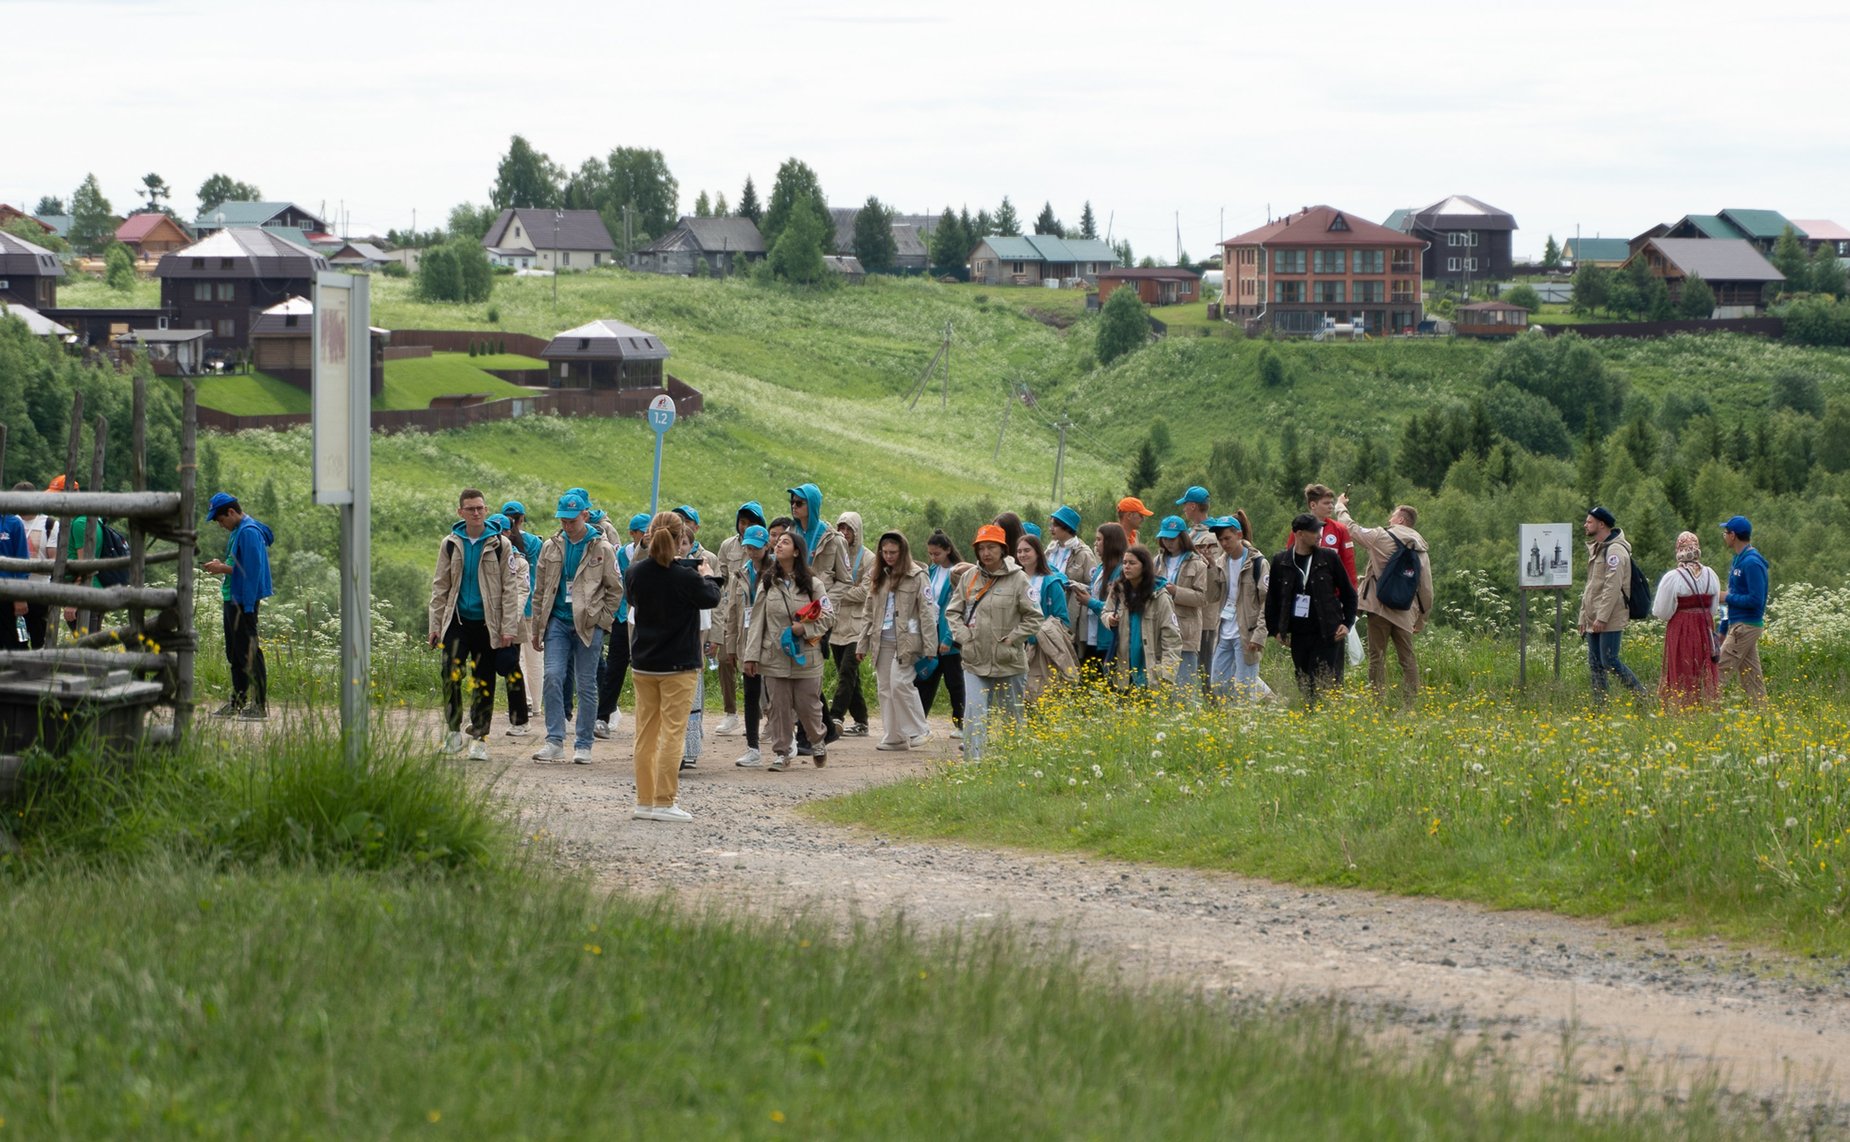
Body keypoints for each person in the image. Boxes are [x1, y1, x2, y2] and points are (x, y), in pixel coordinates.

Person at [623, 512, 723, 822]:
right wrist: (707, 574)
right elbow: (712, 598)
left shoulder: (635, 572)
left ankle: (644, 800)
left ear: (649, 535)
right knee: (672, 733)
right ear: (681, 539)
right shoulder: (686, 577)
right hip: (678, 665)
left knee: (646, 734)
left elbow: (632, 599)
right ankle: (664, 801)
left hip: (644, 663)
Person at [529, 491, 624, 764]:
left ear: (585, 515)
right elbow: (540, 589)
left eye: (572, 519)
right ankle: (554, 740)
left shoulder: (602, 548)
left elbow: (615, 589)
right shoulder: (550, 546)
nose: (567, 525)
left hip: (588, 624)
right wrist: (538, 626)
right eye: (563, 520)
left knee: (585, 684)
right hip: (557, 621)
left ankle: (584, 744)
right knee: (553, 677)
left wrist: (602, 622)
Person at [428, 488, 523, 759]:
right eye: (471, 508)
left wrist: (508, 628)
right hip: (457, 620)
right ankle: (454, 732)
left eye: (480, 507)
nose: (477, 512)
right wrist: (435, 625)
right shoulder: (450, 543)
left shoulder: (499, 544)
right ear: (461, 512)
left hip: (487, 623)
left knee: (484, 681)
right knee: (450, 675)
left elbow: (510, 588)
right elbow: (440, 586)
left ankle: (479, 737)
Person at [947, 524, 1041, 761]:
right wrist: (964, 638)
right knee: (975, 714)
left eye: (991, 547)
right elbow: (952, 612)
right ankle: (973, 765)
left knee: (1013, 718)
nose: (986, 553)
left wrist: (1013, 638)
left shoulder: (1018, 578)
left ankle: (1015, 763)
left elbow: (1035, 617)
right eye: (981, 548)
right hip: (974, 659)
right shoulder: (969, 578)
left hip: (1009, 661)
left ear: (1002, 549)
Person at [742, 529, 834, 772]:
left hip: (806, 658)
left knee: (809, 706)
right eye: (778, 541)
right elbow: (757, 623)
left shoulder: (813, 584)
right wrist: (751, 657)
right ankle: (782, 753)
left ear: (796, 551)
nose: (778, 545)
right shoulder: (767, 582)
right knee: (778, 708)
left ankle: (817, 740)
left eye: (785, 542)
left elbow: (828, 617)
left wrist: (804, 629)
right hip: (774, 657)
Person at [1335, 495, 1433, 705]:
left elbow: (1351, 528)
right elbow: (1426, 588)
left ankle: (1377, 703)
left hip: (1379, 608)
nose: (1390, 519)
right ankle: (1410, 704)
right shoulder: (1421, 548)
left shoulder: (1382, 537)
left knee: (1377, 657)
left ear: (1401, 520)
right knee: (1407, 659)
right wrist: (1422, 619)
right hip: (1406, 612)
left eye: (1393, 516)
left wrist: (1340, 507)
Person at [1265, 513, 1358, 706]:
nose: (1319, 534)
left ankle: (1328, 718)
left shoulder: (1329, 558)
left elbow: (1349, 594)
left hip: (1328, 632)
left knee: (1325, 682)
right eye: (1314, 530)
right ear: (1299, 534)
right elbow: (1272, 599)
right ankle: (1311, 715)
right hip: (1298, 635)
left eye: (1320, 529)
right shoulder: (1281, 561)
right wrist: (1275, 630)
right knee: (1304, 680)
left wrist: (1347, 623)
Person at [857, 529, 937, 751]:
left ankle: (920, 730)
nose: (889, 556)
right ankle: (895, 736)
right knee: (885, 687)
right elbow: (868, 611)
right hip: (881, 640)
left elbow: (928, 613)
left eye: (893, 552)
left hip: (908, 641)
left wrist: (930, 646)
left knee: (900, 683)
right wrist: (862, 643)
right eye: (885, 552)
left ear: (903, 552)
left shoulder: (918, 576)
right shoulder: (878, 575)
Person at [201, 492, 275, 719]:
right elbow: (239, 565)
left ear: (231, 512)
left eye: (221, 520)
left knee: (250, 652)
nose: (220, 525)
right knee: (235, 652)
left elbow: (252, 572)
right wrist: (223, 566)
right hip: (233, 597)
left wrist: (249, 606)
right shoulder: (238, 531)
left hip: (244, 601)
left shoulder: (249, 532)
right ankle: (238, 701)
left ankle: (259, 706)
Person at [787, 484, 847, 756]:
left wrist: (822, 603)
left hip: (817, 618)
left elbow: (846, 581)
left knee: (809, 676)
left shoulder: (833, 539)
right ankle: (825, 730)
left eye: (800, 502)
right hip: (792, 612)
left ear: (812, 504)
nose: (794, 506)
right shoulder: (791, 534)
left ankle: (808, 736)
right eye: (792, 502)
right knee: (796, 672)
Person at [1577, 506, 1646, 703]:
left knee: (1610, 660)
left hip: (1609, 617)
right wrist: (1584, 616)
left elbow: (1612, 588)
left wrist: (1602, 617)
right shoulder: (1598, 549)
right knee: (1596, 664)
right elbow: (1590, 587)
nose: (1585, 525)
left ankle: (1641, 695)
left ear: (1601, 524)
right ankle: (1600, 706)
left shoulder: (1615, 551)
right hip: (1594, 617)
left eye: (1589, 521)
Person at [712, 501, 766, 736]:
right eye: (742, 522)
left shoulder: (765, 547)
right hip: (732, 612)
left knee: (757, 666)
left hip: (756, 613)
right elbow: (721, 577)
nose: (745, 527)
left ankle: (758, 715)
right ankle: (730, 712)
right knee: (725, 659)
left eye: (751, 523)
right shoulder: (727, 546)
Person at [595, 513, 650, 739]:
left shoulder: (660, 554)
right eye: (643, 532)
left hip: (648, 618)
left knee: (647, 669)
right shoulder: (621, 553)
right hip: (623, 616)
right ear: (633, 533)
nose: (647, 536)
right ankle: (603, 716)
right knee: (614, 668)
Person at [1652, 531, 1720, 710]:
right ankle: (1704, 706)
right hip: (1705, 626)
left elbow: (1661, 611)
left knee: (1683, 666)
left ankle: (1683, 707)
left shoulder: (1673, 577)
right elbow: (1713, 609)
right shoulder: (1710, 574)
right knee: (1703, 666)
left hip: (1681, 627)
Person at [1208, 512, 1271, 702]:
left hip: (1247, 633)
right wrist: (1211, 569)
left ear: (1239, 535)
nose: (1224, 543)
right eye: (1220, 540)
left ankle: (1245, 722)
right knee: (1218, 684)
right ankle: (1264, 703)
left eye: (1227, 538)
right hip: (1224, 631)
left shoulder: (1258, 563)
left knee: (1245, 688)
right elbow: (1211, 596)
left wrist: (1259, 635)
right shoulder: (1220, 563)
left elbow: (1266, 602)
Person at [722, 525, 770, 766]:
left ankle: (787, 740)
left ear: (767, 547)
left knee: (776, 695)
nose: (751, 552)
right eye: (748, 547)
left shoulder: (777, 574)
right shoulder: (739, 574)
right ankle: (753, 747)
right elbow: (731, 612)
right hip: (746, 639)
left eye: (756, 548)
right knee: (750, 694)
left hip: (770, 642)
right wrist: (731, 647)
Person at [1103, 544, 1182, 689]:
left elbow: (1172, 638)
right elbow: (1105, 611)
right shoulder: (1118, 590)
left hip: (1150, 669)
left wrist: (1167, 675)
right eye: (1125, 563)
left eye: (1132, 563)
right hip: (1124, 669)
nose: (1126, 567)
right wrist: (1109, 619)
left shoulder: (1160, 596)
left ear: (1144, 566)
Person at [915, 530, 967, 739]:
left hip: (949, 634)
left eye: (936, 553)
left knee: (954, 681)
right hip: (932, 632)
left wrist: (949, 638)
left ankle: (962, 723)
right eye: (930, 554)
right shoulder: (933, 571)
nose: (933, 557)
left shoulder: (958, 572)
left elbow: (958, 607)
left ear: (947, 550)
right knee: (925, 678)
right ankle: (919, 720)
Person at [826, 511, 873, 737]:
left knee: (847, 672)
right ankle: (862, 721)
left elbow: (865, 592)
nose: (844, 533)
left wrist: (836, 592)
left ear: (857, 531)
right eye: (841, 528)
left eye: (849, 529)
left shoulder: (869, 558)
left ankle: (835, 716)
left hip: (858, 626)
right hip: (836, 624)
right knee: (850, 675)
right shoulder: (834, 553)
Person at [1014, 532, 1076, 702]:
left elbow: (1062, 619)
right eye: (1019, 551)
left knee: (1040, 693)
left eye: (1027, 550)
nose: (1022, 555)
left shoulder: (1051, 582)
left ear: (1038, 553)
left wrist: (1037, 633)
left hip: (1041, 646)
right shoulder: (1013, 579)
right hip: (1016, 643)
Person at [1153, 516, 1210, 693]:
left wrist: (1176, 591)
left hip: (1186, 632)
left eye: (1172, 538)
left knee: (1184, 687)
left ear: (1182, 537)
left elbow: (1202, 598)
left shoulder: (1198, 563)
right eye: (1165, 538)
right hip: (1161, 629)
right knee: (1162, 685)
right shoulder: (1156, 561)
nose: (1168, 543)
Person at [501, 501, 544, 737]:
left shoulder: (502, 542)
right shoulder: (534, 542)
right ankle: (535, 705)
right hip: (531, 602)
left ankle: (524, 700)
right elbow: (537, 572)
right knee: (535, 657)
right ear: (522, 518)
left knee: (516, 659)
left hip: (512, 607)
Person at [1176, 486, 1224, 695]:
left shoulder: (1212, 537)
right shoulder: (1191, 534)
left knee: (1204, 663)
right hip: (1185, 609)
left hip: (1205, 614)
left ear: (1193, 506)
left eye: (1185, 506)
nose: (1184, 510)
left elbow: (1215, 576)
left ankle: (1210, 704)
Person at [1718, 515, 1768, 703]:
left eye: (1726, 532)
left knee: (1718, 671)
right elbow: (1729, 597)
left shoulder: (1752, 562)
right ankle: (1763, 717)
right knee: (1752, 679)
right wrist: (1722, 629)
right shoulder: (1738, 560)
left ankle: (1705, 716)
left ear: (1733, 535)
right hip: (1736, 624)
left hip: (1746, 625)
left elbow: (1757, 600)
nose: (1724, 536)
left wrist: (1727, 597)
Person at [1044, 506, 1096, 649]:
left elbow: (1093, 586)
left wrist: (1070, 583)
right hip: (1047, 608)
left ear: (1066, 527)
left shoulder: (1084, 554)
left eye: (1055, 525)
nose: (1051, 528)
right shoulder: (1050, 550)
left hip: (1070, 611)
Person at [1080, 523, 1128, 670]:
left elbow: (1118, 609)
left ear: (1110, 542)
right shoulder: (1101, 568)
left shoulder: (1121, 571)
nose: (1096, 543)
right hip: (1092, 634)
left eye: (1099, 539)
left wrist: (1089, 602)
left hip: (1108, 639)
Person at [11, 481, 50, 650]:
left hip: (39, 591)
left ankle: (37, 672)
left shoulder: (48, 524)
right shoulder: (10, 522)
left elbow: (54, 562)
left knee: (38, 637)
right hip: (12, 590)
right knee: (15, 639)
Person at [0, 500, 28, 653]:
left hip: (8, 592)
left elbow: (22, 561)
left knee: (10, 640)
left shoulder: (14, 523)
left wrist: (20, 596)